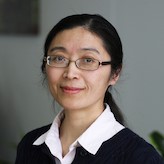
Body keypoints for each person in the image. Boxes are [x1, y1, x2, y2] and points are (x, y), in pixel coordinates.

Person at [15, 14, 164, 164]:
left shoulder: (140, 157)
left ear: (115, 74)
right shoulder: (29, 145)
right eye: (59, 58)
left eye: (88, 60)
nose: (70, 73)